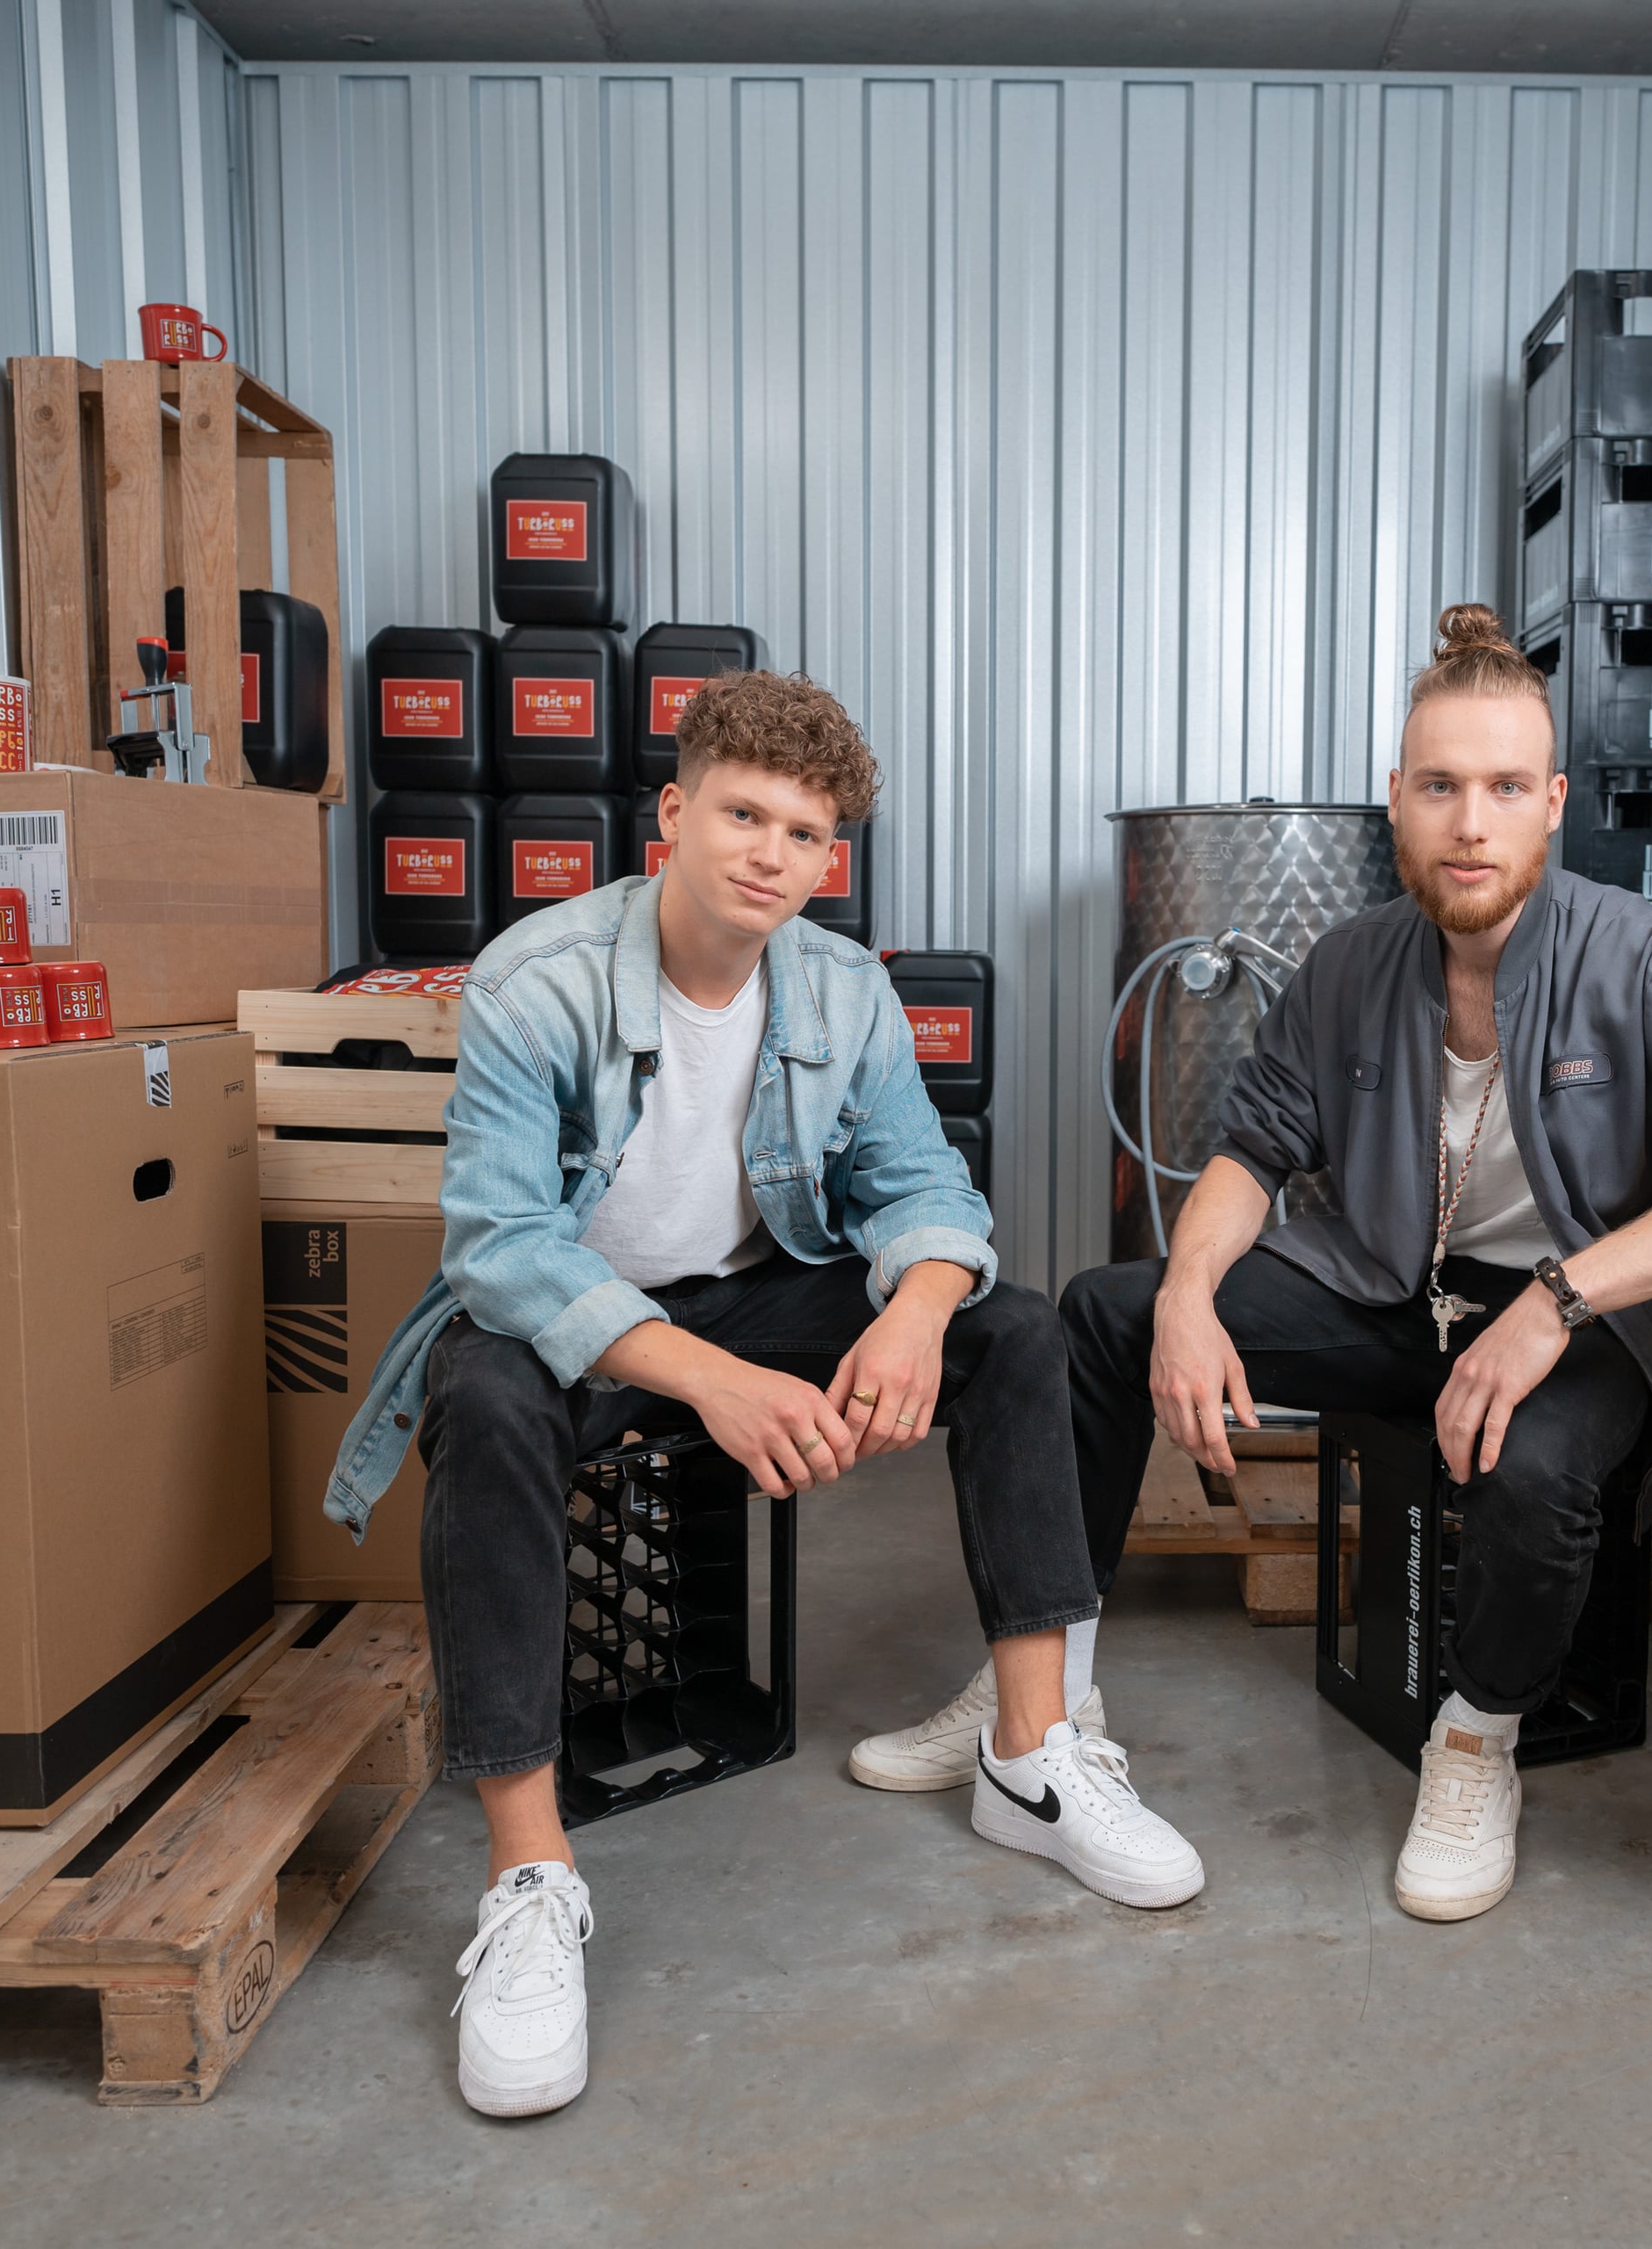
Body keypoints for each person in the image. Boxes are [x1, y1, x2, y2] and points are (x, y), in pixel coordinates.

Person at [327, 670, 1204, 2122]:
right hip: (582, 1330)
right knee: (478, 1402)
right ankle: (531, 1880)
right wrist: (715, 1381)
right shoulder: (536, 978)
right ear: (673, 814)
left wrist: (921, 1308)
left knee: (1018, 1329)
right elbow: (499, 1249)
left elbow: (923, 1186)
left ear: (828, 857)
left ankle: (1032, 1757)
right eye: (743, 815)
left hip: (756, 1290)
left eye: (805, 834)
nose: (771, 856)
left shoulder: (843, 987)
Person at [1038, 602, 1652, 1921]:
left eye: (1503, 788)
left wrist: (1560, 1297)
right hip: (1382, 1290)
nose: (1469, 823)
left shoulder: (1647, 958)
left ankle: (1476, 1741)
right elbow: (1251, 1148)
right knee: (1097, 1313)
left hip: (1578, 1323)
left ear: (1555, 805)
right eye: (1439, 787)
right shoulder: (1351, 962)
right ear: (1396, 803)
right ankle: (1042, 1689)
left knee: (1536, 1478)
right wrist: (1188, 1296)